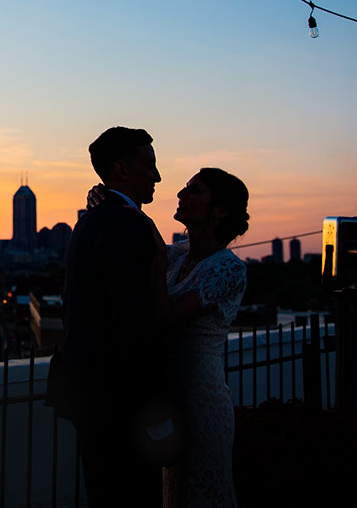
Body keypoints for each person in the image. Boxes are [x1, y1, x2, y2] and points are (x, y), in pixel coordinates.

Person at [62, 126, 169, 507]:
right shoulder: (128, 226)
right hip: (121, 405)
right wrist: (156, 409)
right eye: (149, 165)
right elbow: (134, 326)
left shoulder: (92, 219)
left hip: (94, 398)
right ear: (122, 169)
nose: (156, 176)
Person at [161, 168, 248, 508]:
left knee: (202, 491)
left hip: (201, 397)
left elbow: (168, 316)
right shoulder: (177, 255)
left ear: (220, 210)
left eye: (194, 190)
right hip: (168, 391)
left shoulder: (228, 268)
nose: (181, 195)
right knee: (172, 492)